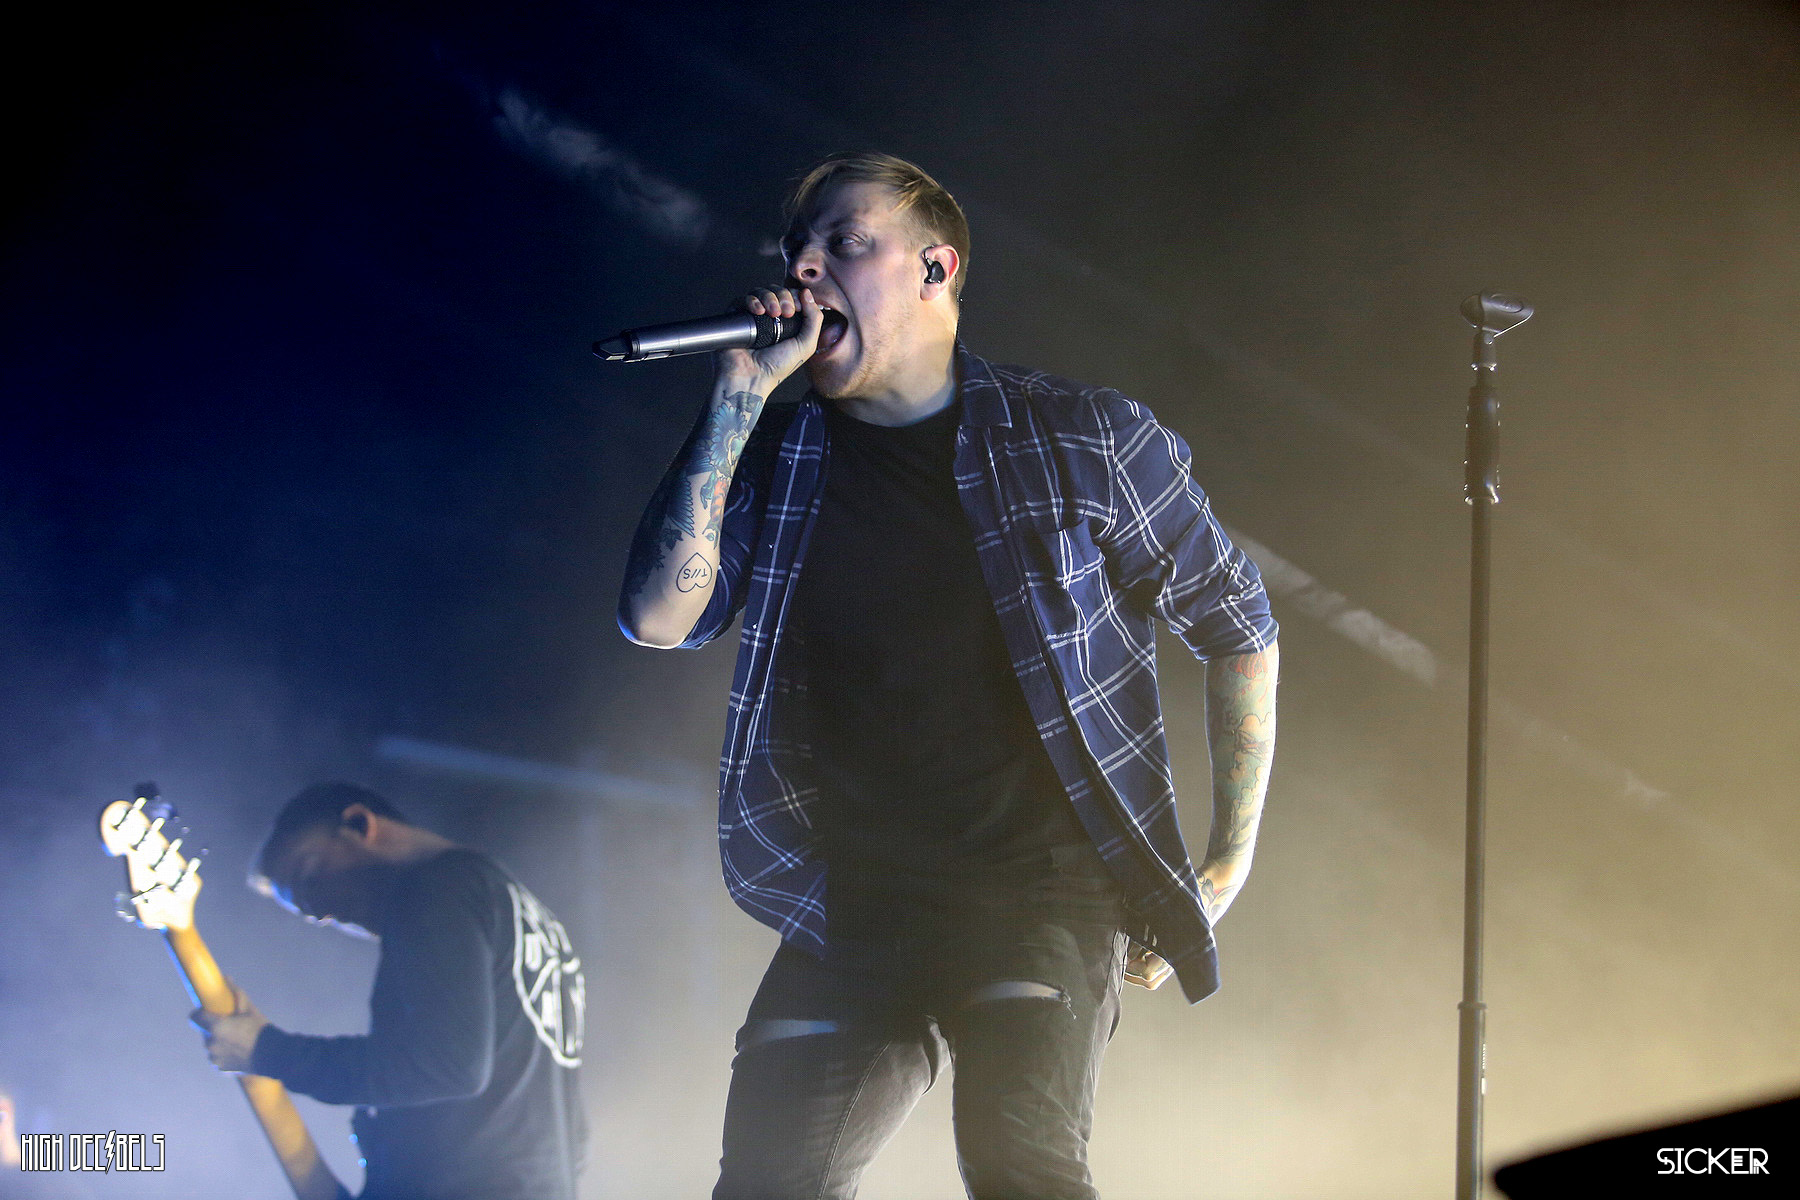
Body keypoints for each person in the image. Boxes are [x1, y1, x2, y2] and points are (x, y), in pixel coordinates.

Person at [618, 151, 1279, 1200]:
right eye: (796, 251)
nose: (805, 270)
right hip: (858, 895)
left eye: (844, 243)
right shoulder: (782, 454)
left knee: (1018, 1166)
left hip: (1040, 886)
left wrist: (1226, 861)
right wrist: (737, 400)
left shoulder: (1083, 436)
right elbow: (658, 617)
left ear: (936, 268)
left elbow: (1238, 621)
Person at [189, 782, 586, 1200]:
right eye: (308, 913)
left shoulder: (441, 888)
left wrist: (269, 1051)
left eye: (310, 877)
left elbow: (444, 1067)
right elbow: (572, 1133)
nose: (320, 911)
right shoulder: (520, 910)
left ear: (359, 824)